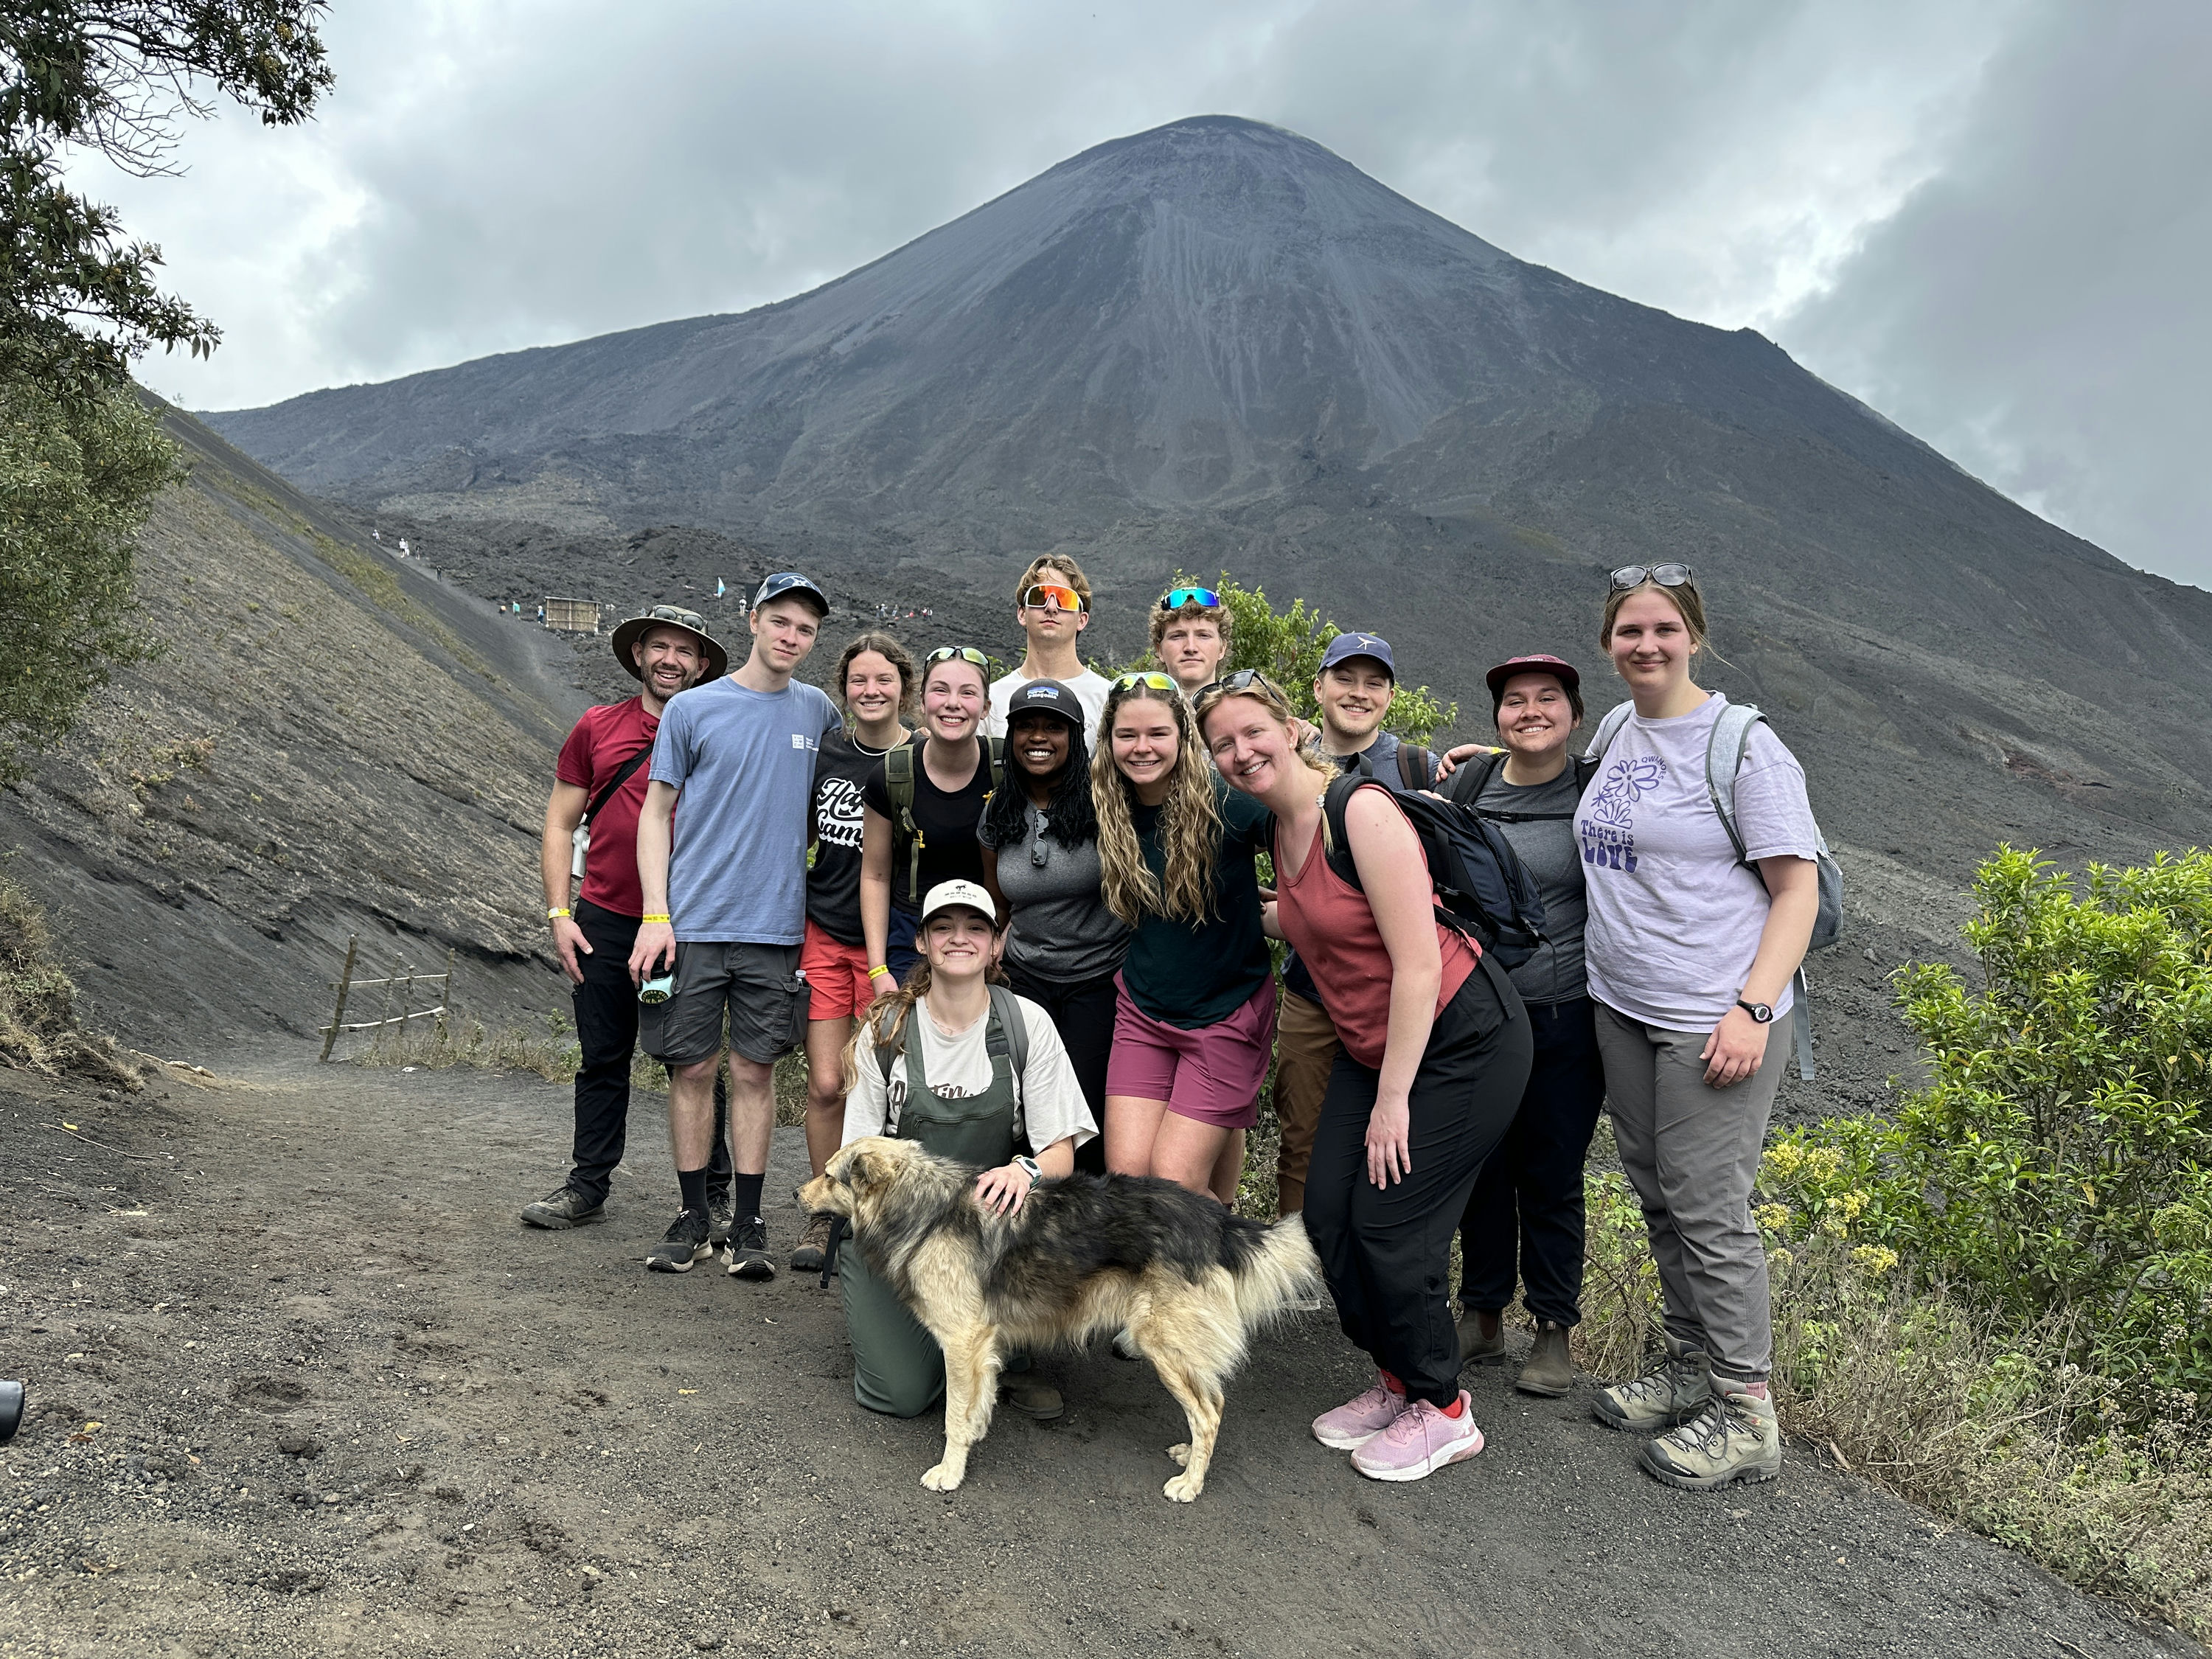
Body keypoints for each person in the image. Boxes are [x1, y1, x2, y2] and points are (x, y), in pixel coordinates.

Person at [1197, 669, 1531, 1484]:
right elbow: (1307, 916)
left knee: (1390, 1222)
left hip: (1461, 1038)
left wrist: (1393, 1103)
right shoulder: (1284, 828)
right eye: (1223, 745)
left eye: (1254, 732)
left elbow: (1418, 965)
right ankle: (1398, 1378)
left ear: (1292, 726)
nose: (1242, 753)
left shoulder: (1361, 810)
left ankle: (1445, 1410)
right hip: (1373, 1045)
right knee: (1325, 1216)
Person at [1576, 563, 1820, 1490]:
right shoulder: (1616, 728)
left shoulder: (1744, 746)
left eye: (1663, 630)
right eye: (1630, 631)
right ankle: (1689, 1368)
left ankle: (1748, 1413)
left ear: (1695, 637)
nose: (1646, 646)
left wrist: (1754, 1006)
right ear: (1609, 643)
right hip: (1625, 1005)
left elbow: (1795, 890)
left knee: (1711, 1208)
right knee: (1658, 1191)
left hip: (1715, 1016)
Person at [630, 573, 841, 1280]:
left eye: (805, 629)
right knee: (690, 1068)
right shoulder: (693, 709)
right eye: (780, 622)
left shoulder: (817, 712)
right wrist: (656, 916)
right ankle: (694, 1215)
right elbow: (655, 814)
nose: (791, 637)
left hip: (776, 928)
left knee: (755, 1072)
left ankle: (748, 1224)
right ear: (753, 621)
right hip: (692, 923)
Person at [837, 879, 1093, 1422]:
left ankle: (999, 1353)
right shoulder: (886, 1032)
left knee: (969, 1339)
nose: (960, 938)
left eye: (976, 927)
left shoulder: (1028, 1023)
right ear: (924, 943)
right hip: (899, 1241)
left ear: (996, 944)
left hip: (989, 1238)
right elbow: (853, 1163)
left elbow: (1060, 1154)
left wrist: (1025, 1169)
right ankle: (958, 1351)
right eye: (943, 928)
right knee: (903, 1394)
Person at [524, 606, 734, 1235]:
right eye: (660, 647)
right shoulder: (597, 727)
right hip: (606, 917)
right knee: (602, 1056)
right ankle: (587, 1185)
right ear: (639, 654)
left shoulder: (718, 730)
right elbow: (561, 823)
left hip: (687, 922)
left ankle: (713, 1194)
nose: (671, 660)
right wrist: (560, 912)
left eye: (685, 651)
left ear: (701, 665)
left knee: (694, 1061)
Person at [1435, 654, 1603, 1399]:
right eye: (1513, 701)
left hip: (1568, 1015)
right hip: (1481, 1012)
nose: (1530, 710)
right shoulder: (1470, 784)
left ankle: (1554, 1328)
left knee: (1552, 1171)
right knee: (1482, 1168)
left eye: (1547, 699)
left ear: (1574, 714)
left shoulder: (1594, 789)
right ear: (1497, 717)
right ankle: (1483, 1315)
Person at [1271, 632, 1439, 1218]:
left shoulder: (1420, 770)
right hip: (1312, 992)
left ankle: (1372, 1260)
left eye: (1374, 683)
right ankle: (1298, 1280)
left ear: (1391, 697)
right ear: (1318, 688)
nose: (1358, 694)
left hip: (1397, 996)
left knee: (1393, 1138)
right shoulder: (1281, 765)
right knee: (1301, 1139)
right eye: (1345, 678)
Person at [1093, 672, 1273, 1206]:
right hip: (1145, 1007)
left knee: (1176, 1187)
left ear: (1183, 737)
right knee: (1128, 1179)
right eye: (1127, 735)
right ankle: (1193, 1270)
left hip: (1225, 1012)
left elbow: (1309, 828)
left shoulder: (1229, 802)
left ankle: (1227, 1272)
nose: (1142, 748)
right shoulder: (1108, 803)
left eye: (1157, 733)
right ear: (1108, 740)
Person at [793, 631, 917, 1272]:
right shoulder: (827, 754)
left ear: (904, 687)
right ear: (845, 691)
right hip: (824, 934)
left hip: (890, 945)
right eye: (859, 682)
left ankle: (881, 1217)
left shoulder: (919, 758)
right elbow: (798, 834)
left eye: (884, 681)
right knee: (826, 1084)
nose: (871, 691)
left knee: (885, 1087)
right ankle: (824, 1212)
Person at [976, 681, 1128, 1176]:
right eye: (1025, 726)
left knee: (1086, 1110)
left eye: (1053, 727)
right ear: (1011, 736)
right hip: (1026, 979)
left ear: (1074, 736)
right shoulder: (997, 812)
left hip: (1098, 978)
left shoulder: (1107, 803)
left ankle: (1090, 1234)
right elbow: (998, 902)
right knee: (1024, 1107)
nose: (1037, 737)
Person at [860, 646, 998, 994]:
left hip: (987, 934)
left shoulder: (1006, 770)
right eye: (940, 690)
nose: (953, 703)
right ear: (922, 702)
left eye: (968, 693)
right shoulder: (891, 776)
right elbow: (874, 875)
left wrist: (1001, 939)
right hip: (911, 933)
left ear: (985, 708)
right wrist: (878, 971)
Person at [985, 555, 1112, 743]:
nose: (1051, 607)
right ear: (1022, 613)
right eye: (1040, 596)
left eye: (1064, 599)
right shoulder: (991, 700)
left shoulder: (1108, 698)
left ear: (1082, 619)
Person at [1150, 584, 1231, 695]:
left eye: (1203, 636)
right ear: (1160, 651)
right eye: (1177, 636)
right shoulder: (1137, 711)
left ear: (1222, 648)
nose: (1191, 648)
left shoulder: (1247, 711)